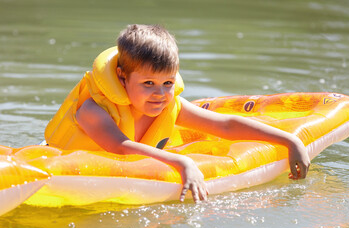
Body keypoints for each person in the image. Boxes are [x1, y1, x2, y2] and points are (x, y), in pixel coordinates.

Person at [45, 24, 310, 203]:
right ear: (121, 76)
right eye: (148, 83)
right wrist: (183, 162)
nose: (159, 94)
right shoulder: (93, 110)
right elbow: (121, 148)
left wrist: (290, 140)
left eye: (167, 83)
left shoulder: (169, 107)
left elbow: (226, 126)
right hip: (61, 174)